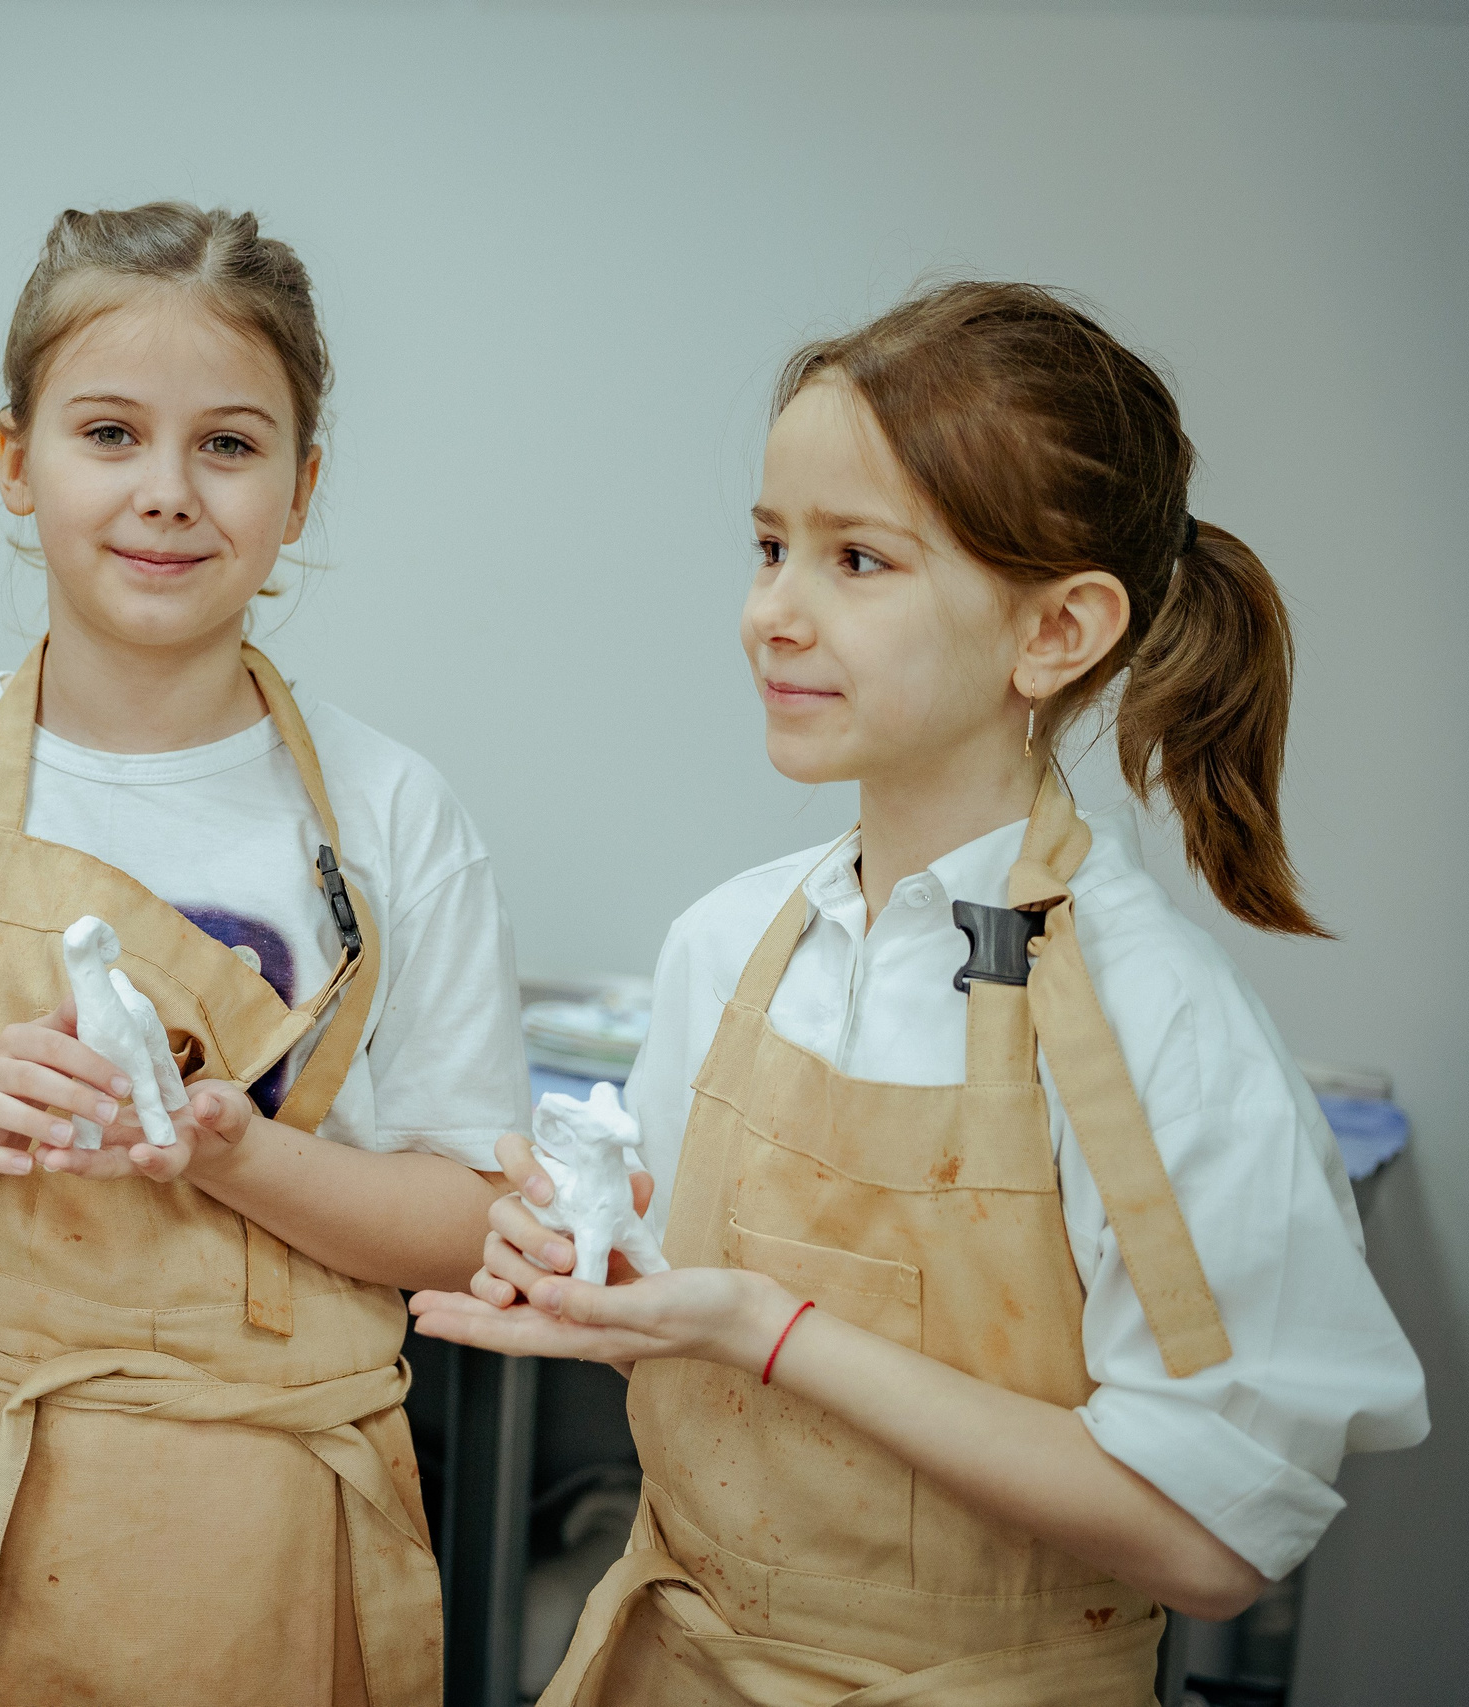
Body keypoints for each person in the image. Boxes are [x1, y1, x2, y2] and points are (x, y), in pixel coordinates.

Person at [412, 282, 1428, 1704]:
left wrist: (767, 1332)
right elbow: (673, 1329)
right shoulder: (726, 947)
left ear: (1058, 631)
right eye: (771, 546)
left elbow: (1208, 1544)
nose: (775, 610)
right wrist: (596, 1271)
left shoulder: (1155, 1026)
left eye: (859, 561)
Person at [0, 202, 529, 1706]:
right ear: (16, 461)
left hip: (271, 1528)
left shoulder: (396, 814)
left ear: (302, 488)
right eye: (110, 433)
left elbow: (471, 1228)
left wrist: (236, 1156)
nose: (167, 493)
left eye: (228, 444)